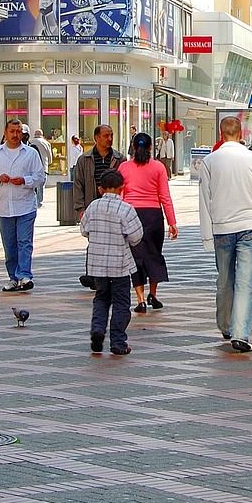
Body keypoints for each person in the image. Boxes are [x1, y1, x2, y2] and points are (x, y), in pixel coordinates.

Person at [198, 116, 252, 352]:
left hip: (222, 227)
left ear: (220, 133)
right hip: (249, 225)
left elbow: (204, 200)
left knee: (224, 280)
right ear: (241, 133)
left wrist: (207, 235)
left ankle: (225, 325)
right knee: (246, 281)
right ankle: (240, 333)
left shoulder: (209, 162)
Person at [80, 169, 144, 355]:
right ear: (121, 188)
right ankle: (118, 342)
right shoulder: (126, 209)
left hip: (97, 265)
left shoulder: (93, 207)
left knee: (101, 299)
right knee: (121, 303)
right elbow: (136, 237)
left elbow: (84, 230)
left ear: (101, 189)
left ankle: (98, 329)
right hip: (120, 266)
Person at [0, 118, 46, 292]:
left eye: (19, 132)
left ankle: (24, 275)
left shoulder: (31, 153)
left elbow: (40, 177)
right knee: (9, 245)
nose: (15, 135)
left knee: (24, 241)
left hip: (25, 205)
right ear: (5, 133)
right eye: (12, 131)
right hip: (4, 207)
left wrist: (25, 180)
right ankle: (13, 277)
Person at [118, 132, 178, 314]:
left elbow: (121, 195)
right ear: (151, 147)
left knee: (135, 258)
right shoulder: (159, 167)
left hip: (131, 214)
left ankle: (140, 299)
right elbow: (165, 197)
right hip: (153, 216)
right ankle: (153, 294)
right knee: (153, 254)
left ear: (134, 147)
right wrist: (172, 222)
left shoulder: (124, 167)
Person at [71, 125, 126, 221]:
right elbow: (78, 185)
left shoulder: (120, 159)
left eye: (111, 135)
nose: (110, 139)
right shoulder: (84, 160)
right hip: (91, 208)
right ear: (96, 137)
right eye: (106, 136)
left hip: (115, 209)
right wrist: (80, 209)